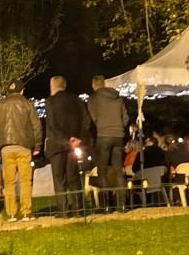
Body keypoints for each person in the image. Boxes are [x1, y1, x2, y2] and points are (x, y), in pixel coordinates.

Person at [0, 80, 43, 221]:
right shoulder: (27, 104)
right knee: (25, 180)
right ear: (22, 91)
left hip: (6, 148)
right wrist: (37, 146)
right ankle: (26, 212)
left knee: (9, 182)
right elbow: (36, 126)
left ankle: (11, 213)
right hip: (24, 146)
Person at [45, 75, 92, 216]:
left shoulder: (50, 102)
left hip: (57, 145)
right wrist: (78, 139)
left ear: (53, 86)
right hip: (75, 145)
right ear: (64, 85)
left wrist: (66, 140)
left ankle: (64, 210)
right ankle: (78, 208)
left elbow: (52, 125)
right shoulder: (77, 100)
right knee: (73, 177)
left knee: (59, 179)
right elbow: (86, 121)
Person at [87, 75, 128, 211]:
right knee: (118, 170)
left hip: (103, 135)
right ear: (104, 83)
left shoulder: (93, 98)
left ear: (94, 84)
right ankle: (122, 205)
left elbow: (92, 117)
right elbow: (126, 118)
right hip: (118, 135)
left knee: (102, 171)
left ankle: (106, 205)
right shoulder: (118, 97)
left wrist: (101, 126)